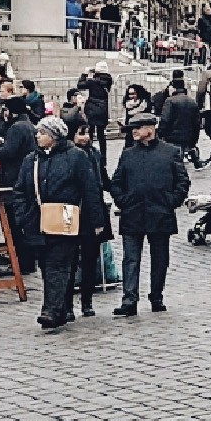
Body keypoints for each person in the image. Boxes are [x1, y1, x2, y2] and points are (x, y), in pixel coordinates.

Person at [21, 118, 103, 330]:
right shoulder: (31, 160)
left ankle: (50, 310)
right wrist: (22, 216)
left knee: (59, 263)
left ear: (55, 136)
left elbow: (90, 188)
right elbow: (20, 190)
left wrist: (96, 220)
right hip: (37, 220)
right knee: (46, 265)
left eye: (42, 132)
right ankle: (63, 307)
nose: (38, 136)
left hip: (66, 219)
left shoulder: (76, 157)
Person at [108, 113, 190, 315]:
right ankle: (129, 299)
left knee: (160, 258)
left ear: (150, 129)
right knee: (131, 258)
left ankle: (156, 295)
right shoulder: (128, 154)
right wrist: (123, 201)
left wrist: (171, 201)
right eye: (132, 128)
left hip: (160, 213)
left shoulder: (170, 152)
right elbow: (116, 182)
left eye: (138, 127)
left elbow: (182, 182)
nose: (134, 132)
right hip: (133, 213)